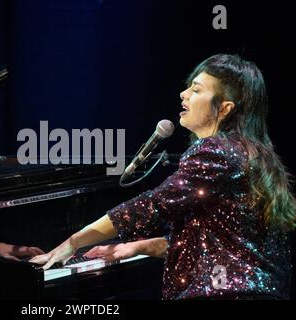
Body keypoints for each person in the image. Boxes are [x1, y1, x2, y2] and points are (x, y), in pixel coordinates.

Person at [30, 54, 296, 300]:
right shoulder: (257, 155)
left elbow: (151, 206)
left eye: (196, 89)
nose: (183, 95)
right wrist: (139, 246)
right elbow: (220, 242)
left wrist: (73, 242)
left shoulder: (215, 150)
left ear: (224, 108)